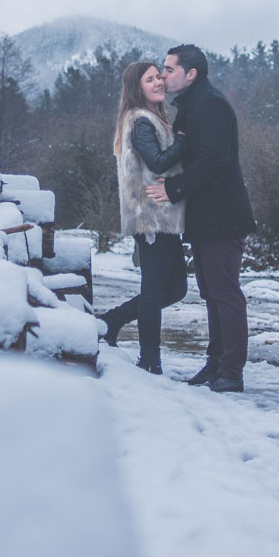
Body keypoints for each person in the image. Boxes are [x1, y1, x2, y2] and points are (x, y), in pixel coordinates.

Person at [145, 45, 257, 393]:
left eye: (169, 69)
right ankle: (215, 365)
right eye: (162, 69)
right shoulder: (193, 105)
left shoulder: (210, 105)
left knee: (225, 295)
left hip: (223, 217)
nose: (163, 75)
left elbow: (213, 162)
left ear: (191, 74)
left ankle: (231, 372)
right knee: (212, 294)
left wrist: (173, 188)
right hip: (207, 218)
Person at [98, 61, 188, 375]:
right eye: (150, 79)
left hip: (163, 217)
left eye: (159, 77)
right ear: (137, 87)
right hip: (151, 217)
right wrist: (185, 140)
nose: (158, 82)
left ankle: (112, 320)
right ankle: (149, 360)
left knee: (176, 289)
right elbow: (158, 162)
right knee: (154, 290)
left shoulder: (152, 119)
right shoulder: (140, 121)